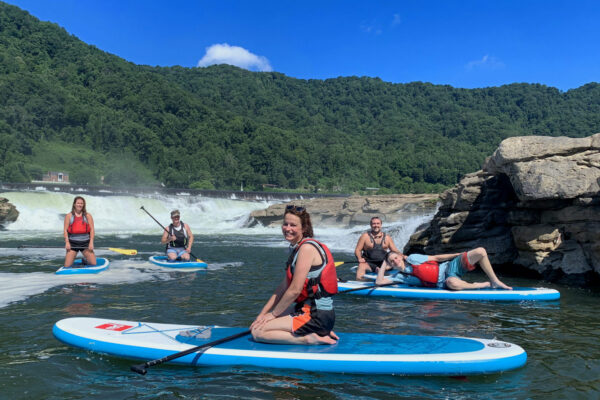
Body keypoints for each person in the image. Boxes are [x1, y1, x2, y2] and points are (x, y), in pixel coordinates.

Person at [251, 205, 339, 345]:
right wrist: (263, 314)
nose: (287, 228)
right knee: (261, 322)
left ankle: (308, 338)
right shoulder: (297, 248)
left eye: (293, 225)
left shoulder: (306, 248)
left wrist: (273, 315)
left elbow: (295, 290)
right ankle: (318, 331)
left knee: (258, 332)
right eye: (285, 224)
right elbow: (283, 287)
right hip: (308, 310)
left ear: (304, 228)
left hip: (316, 315)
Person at [376, 248, 513, 290]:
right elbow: (379, 282)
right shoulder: (400, 276)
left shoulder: (413, 258)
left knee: (481, 251)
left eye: (396, 257)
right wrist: (384, 262)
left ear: (400, 256)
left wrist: (456, 255)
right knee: (452, 283)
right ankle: (479, 285)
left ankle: (495, 281)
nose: (395, 260)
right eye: (391, 261)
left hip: (450, 266)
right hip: (445, 281)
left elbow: (436, 258)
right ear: (391, 265)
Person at [63, 196, 96, 267]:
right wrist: (67, 242)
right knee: (67, 266)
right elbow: (65, 230)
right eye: (78, 203)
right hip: (73, 244)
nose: (80, 205)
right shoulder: (69, 216)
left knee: (93, 264)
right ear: (74, 204)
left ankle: (85, 261)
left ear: (83, 205)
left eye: (81, 203)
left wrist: (91, 243)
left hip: (85, 243)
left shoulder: (88, 215)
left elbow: (92, 230)